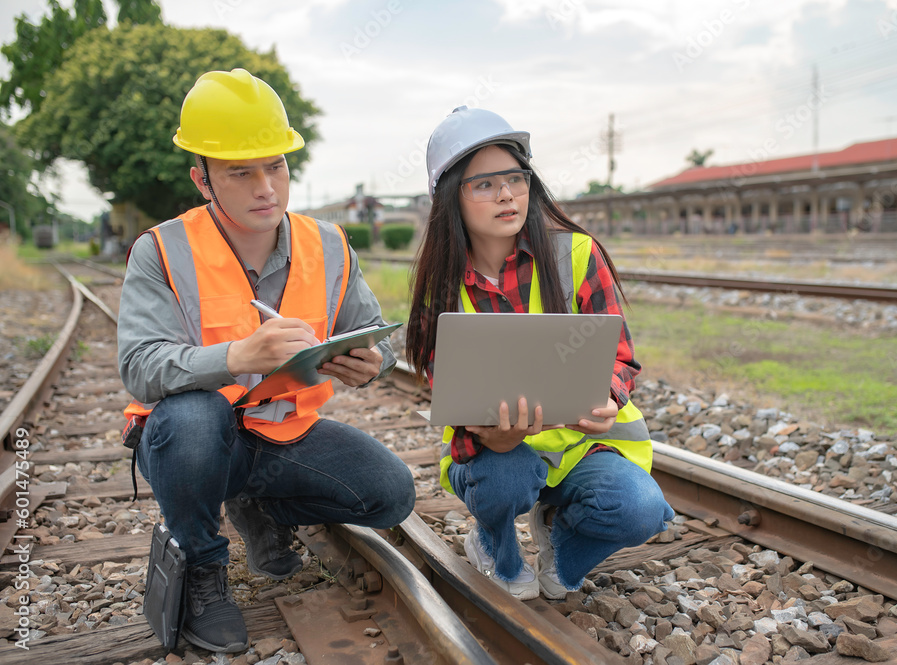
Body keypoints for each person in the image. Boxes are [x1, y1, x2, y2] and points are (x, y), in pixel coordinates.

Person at [118, 69, 415, 652]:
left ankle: (257, 505)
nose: (266, 188)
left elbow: (377, 336)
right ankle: (204, 570)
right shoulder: (160, 251)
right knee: (196, 419)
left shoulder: (329, 244)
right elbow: (141, 367)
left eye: (275, 166)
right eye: (241, 172)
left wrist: (370, 362)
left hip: (281, 437)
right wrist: (236, 356)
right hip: (189, 444)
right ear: (202, 180)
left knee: (391, 494)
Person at [406, 106, 674, 602]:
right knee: (507, 478)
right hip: (496, 455)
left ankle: (562, 546)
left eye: (515, 177)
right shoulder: (439, 287)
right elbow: (450, 387)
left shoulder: (575, 255)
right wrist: (498, 438)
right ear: (450, 198)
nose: (507, 193)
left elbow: (620, 356)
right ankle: (495, 544)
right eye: (485, 184)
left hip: (583, 447)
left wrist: (610, 399)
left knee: (639, 509)